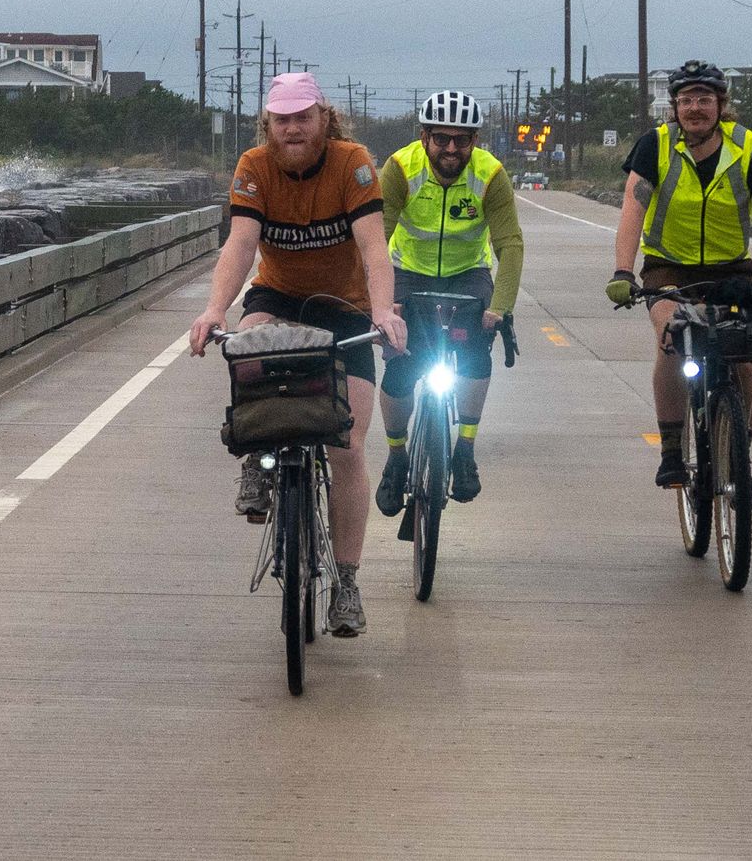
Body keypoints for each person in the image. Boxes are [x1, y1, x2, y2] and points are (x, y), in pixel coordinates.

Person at [190, 72, 408, 638]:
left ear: (323, 119)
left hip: (345, 303)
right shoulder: (254, 166)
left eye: (302, 118)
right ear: (270, 124)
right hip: (278, 295)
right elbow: (240, 244)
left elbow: (372, 247)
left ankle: (348, 583)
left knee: (347, 444)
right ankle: (258, 460)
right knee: (249, 339)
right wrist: (216, 310)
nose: (292, 129)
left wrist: (384, 312)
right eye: (282, 119)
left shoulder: (352, 162)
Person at [605, 61, 752, 490]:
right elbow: (632, 212)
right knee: (671, 339)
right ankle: (672, 451)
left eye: (704, 100)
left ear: (722, 105)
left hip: (730, 269)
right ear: (674, 107)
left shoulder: (747, 148)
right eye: (686, 100)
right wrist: (622, 271)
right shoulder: (655, 146)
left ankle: (739, 454)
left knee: (748, 355)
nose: (695, 108)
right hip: (669, 266)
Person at [372, 90, 523, 517]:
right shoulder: (401, 168)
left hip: (467, 273)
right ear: (424, 136)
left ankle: (465, 450)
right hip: (407, 270)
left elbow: (509, 244)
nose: (451, 149)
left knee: (477, 351)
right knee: (401, 362)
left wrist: (501, 305)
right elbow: (376, 239)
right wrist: (382, 303)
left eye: (462, 139)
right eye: (442, 139)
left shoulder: (490, 173)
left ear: (474, 140)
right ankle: (397, 455)